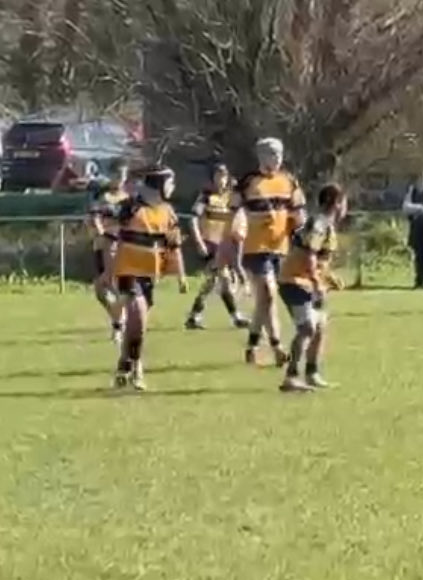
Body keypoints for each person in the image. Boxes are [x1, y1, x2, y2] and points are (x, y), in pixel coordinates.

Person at [100, 166, 188, 390]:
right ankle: (136, 368)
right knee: (137, 317)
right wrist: (108, 272)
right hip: (127, 271)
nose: (173, 187)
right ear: (159, 185)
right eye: (171, 182)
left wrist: (181, 276)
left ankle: (125, 364)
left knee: (136, 326)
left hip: (150, 275)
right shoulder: (129, 208)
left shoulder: (168, 212)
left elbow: (174, 246)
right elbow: (109, 239)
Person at [230, 137, 306, 366]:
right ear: (261, 157)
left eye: (279, 154)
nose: (276, 159)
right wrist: (233, 238)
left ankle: (255, 344)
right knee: (269, 294)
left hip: (280, 248)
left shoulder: (289, 181)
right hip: (255, 248)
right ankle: (276, 346)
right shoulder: (247, 183)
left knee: (265, 299)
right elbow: (234, 214)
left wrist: (301, 233)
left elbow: (298, 213)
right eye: (271, 154)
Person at [278, 184, 347, 392]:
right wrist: (317, 282)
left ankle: (312, 373)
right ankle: (290, 377)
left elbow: (319, 259)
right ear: (336, 203)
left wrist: (329, 277)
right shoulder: (319, 223)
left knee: (320, 328)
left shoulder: (327, 225)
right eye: (344, 202)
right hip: (295, 281)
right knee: (307, 327)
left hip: (310, 281)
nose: (346, 207)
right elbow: (309, 254)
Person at [185, 163, 250, 330]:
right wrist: (199, 242)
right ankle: (235, 317)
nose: (221, 180)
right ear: (212, 178)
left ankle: (194, 316)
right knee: (222, 280)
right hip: (211, 244)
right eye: (217, 176)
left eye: (223, 176)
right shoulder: (206, 196)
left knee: (214, 282)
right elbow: (192, 219)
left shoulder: (231, 198)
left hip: (225, 245)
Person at [86, 158, 132, 343]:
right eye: (117, 176)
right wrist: (99, 230)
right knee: (101, 290)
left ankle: (120, 325)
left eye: (123, 176)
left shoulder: (128, 200)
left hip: (117, 246)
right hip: (101, 245)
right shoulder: (103, 197)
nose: (120, 180)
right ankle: (121, 319)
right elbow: (94, 216)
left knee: (109, 283)